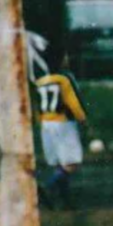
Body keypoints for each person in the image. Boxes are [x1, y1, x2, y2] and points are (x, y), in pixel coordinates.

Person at [35, 51, 87, 209]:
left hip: (45, 123)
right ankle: (47, 186)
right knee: (72, 162)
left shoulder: (40, 81)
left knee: (59, 163)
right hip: (61, 122)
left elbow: (36, 106)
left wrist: (40, 122)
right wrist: (82, 118)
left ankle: (66, 202)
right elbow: (72, 100)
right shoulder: (63, 79)